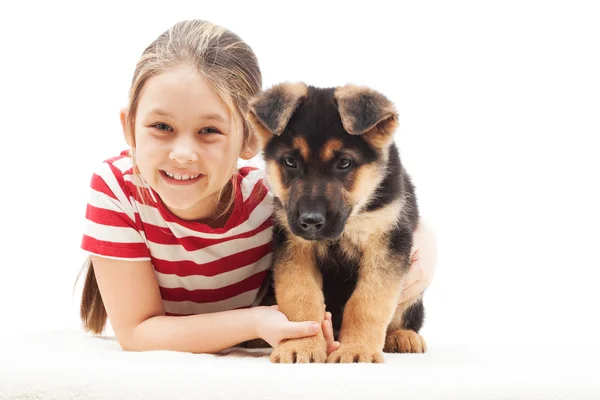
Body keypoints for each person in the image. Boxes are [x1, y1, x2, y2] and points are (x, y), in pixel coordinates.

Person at [77, 19, 437, 355]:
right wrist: (256, 322)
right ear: (129, 128)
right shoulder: (117, 189)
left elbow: (388, 229)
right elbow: (137, 332)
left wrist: (425, 249)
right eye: (161, 126)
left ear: (252, 140)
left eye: (209, 131)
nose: (183, 154)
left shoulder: (263, 200)